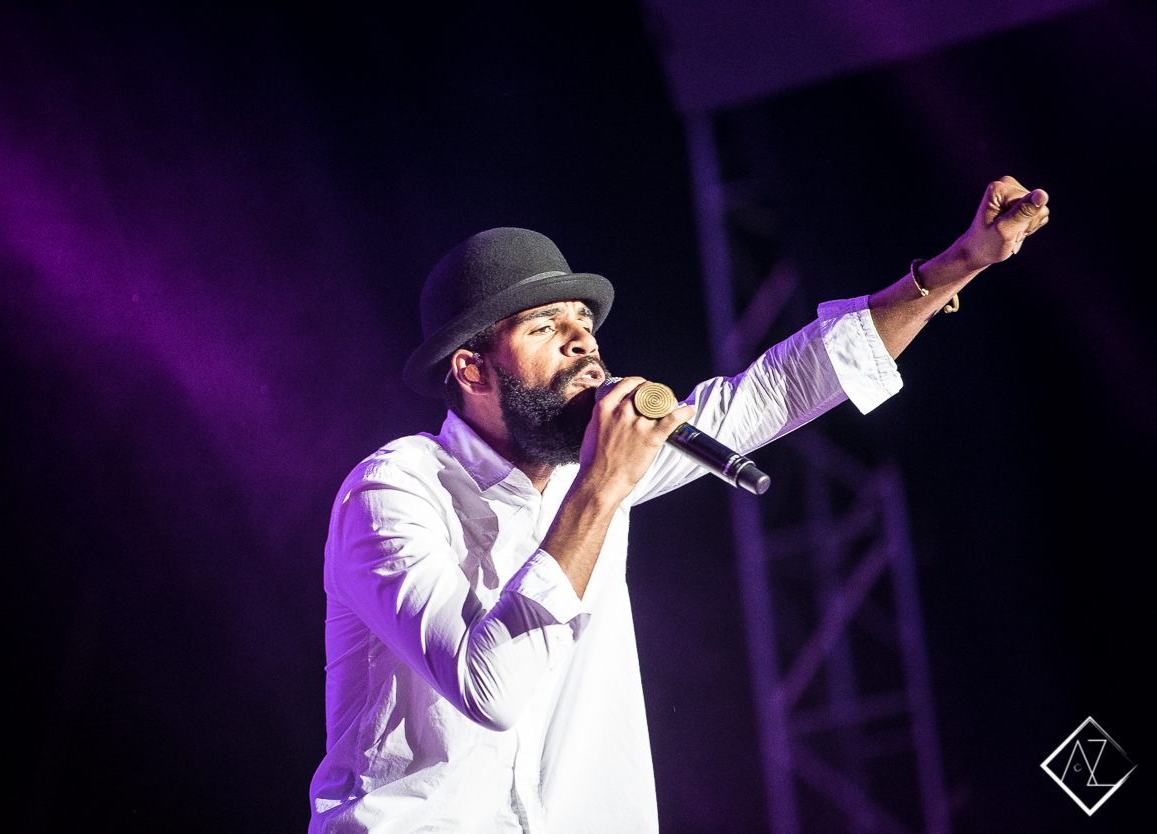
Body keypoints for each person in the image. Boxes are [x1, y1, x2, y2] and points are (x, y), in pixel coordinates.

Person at [308, 177, 1049, 833]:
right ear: (472, 369)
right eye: (545, 328)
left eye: (584, 324)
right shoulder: (393, 492)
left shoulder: (587, 475)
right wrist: (602, 487)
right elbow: (489, 689)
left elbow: (779, 388)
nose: (583, 344)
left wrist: (961, 263)